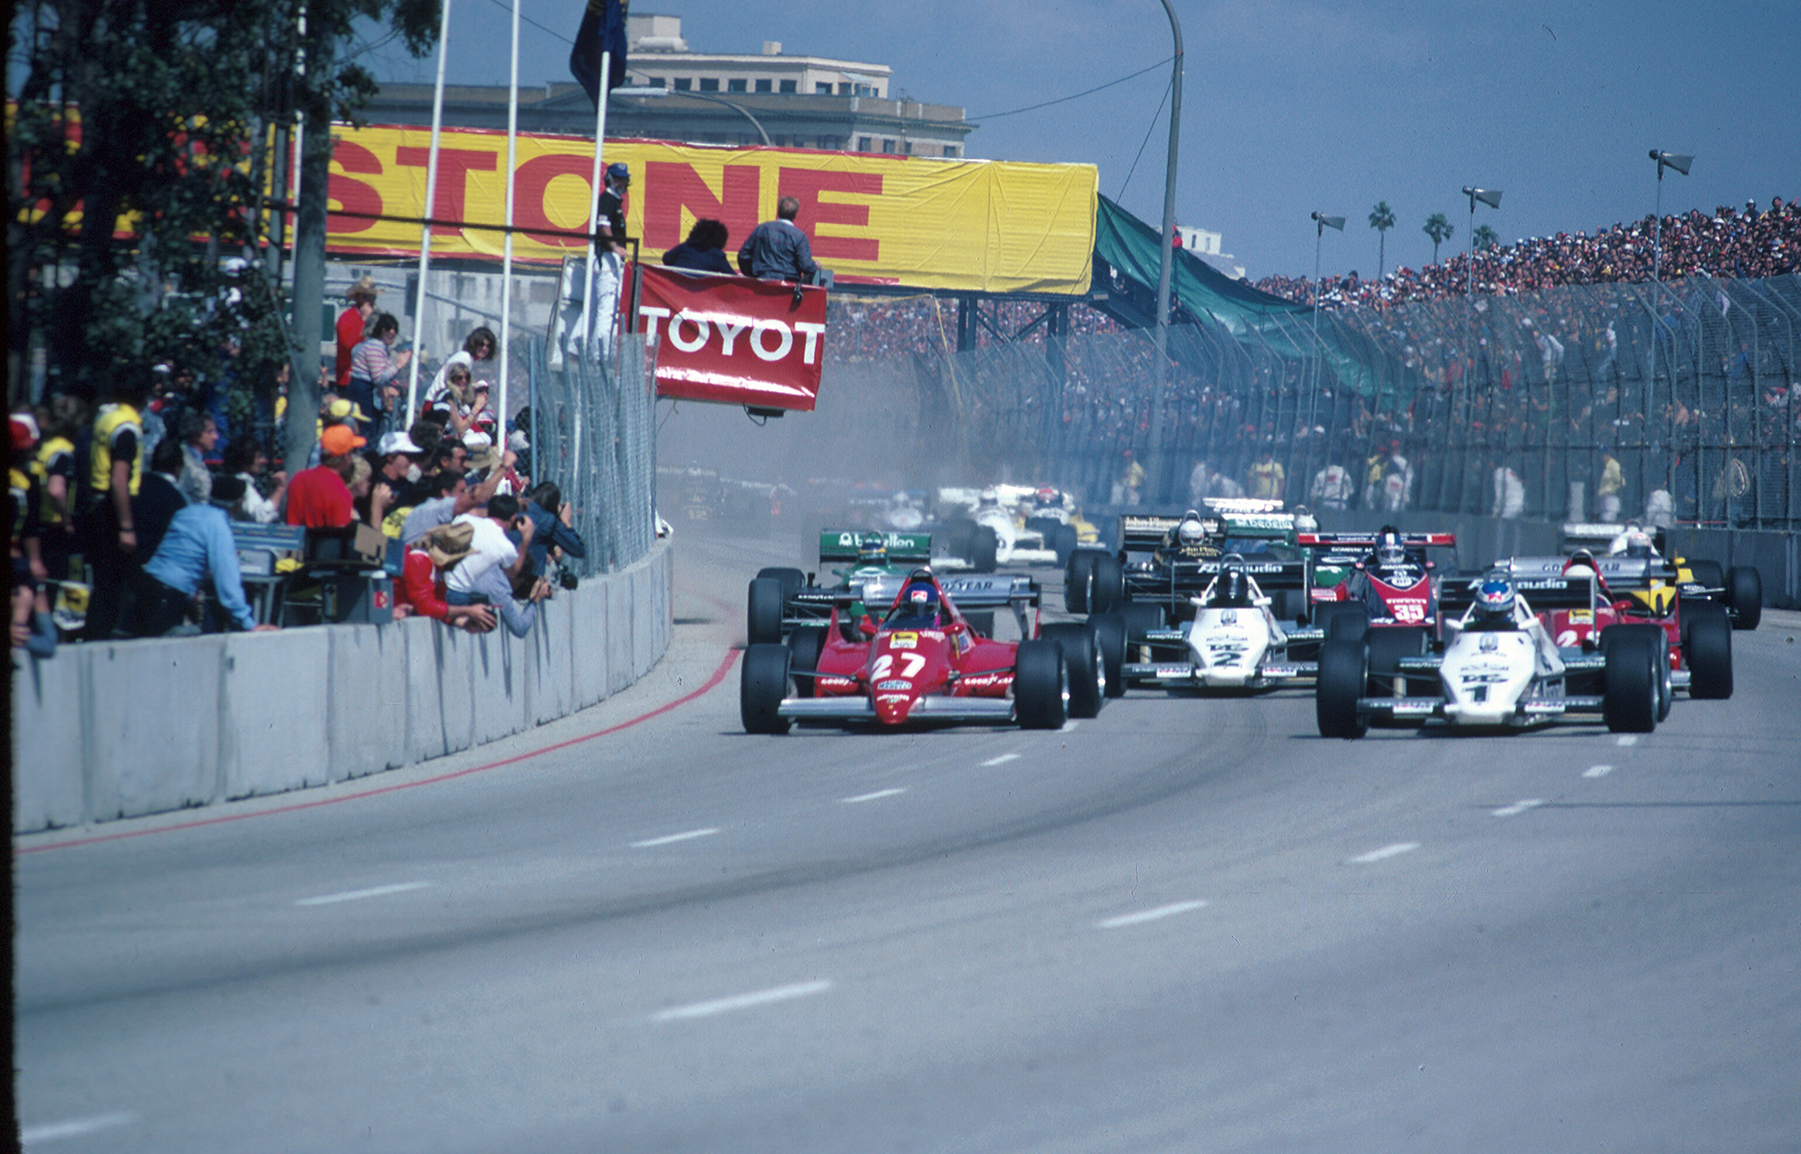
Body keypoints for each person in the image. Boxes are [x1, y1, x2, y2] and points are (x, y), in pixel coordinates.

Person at [134, 475, 278, 636]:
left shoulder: (187, 512)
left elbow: (180, 557)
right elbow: (227, 579)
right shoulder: (219, 526)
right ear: (238, 503)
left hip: (146, 582)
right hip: (170, 595)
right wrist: (248, 623)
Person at [78, 369, 151, 640]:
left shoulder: (106, 417)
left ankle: (95, 635)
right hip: (114, 510)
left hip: (96, 503)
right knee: (112, 586)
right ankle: (101, 640)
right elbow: (119, 479)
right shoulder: (127, 429)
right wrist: (127, 527)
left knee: (101, 582)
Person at [394, 522, 497, 632]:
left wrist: (463, 623)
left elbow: (438, 602)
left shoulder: (437, 568)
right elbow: (426, 607)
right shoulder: (419, 560)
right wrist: (468, 610)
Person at [346, 312, 410, 439]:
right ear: (381, 330)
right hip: (364, 390)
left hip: (359, 388)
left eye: (395, 330)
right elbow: (379, 378)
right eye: (389, 329)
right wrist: (399, 365)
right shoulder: (375, 347)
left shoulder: (367, 346)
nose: (393, 333)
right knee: (368, 430)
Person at [285, 424, 364, 528]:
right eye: (352, 452)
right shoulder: (341, 492)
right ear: (345, 456)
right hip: (323, 543)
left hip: (297, 543)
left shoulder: (298, 479)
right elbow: (339, 536)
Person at [738, 196, 821, 284]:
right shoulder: (799, 236)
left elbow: (743, 255)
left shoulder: (761, 229)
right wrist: (815, 267)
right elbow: (806, 265)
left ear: (778, 211)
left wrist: (751, 274)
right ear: (795, 214)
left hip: (762, 282)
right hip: (788, 287)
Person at [221, 438, 286, 523]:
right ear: (246, 459)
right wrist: (280, 488)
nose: (262, 461)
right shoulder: (242, 486)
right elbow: (262, 517)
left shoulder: (232, 482)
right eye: (258, 457)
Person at [335, 275, 380, 392]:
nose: (370, 301)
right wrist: (364, 321)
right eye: (366, 296)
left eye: (372, 297)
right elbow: (349, 344)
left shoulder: (375, 318)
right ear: (358, 297)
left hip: (369, 378)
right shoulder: (347, 318)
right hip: (349, 379)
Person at [663, 218, 734, 274]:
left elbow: (666, 259)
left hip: (675, 289)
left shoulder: (686, 247)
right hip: (701, 291)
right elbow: (733, 278)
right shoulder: (718, 256)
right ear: (721, 239)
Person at [176, 410, 218, 505]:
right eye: (209, 432)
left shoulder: (196, 459)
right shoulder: (182, 461)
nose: (216, 437)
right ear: (195, 435)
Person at [1596, 450, 1625, 522]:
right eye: (1601, 456)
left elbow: (1621, 482)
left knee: (1608, 521)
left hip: (1611, 499)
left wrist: (1613, 489)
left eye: (1604, 455)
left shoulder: (1614, 465)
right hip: (1603, 499)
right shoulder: (1604, 466)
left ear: (1608, 455)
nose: (1602, 458)